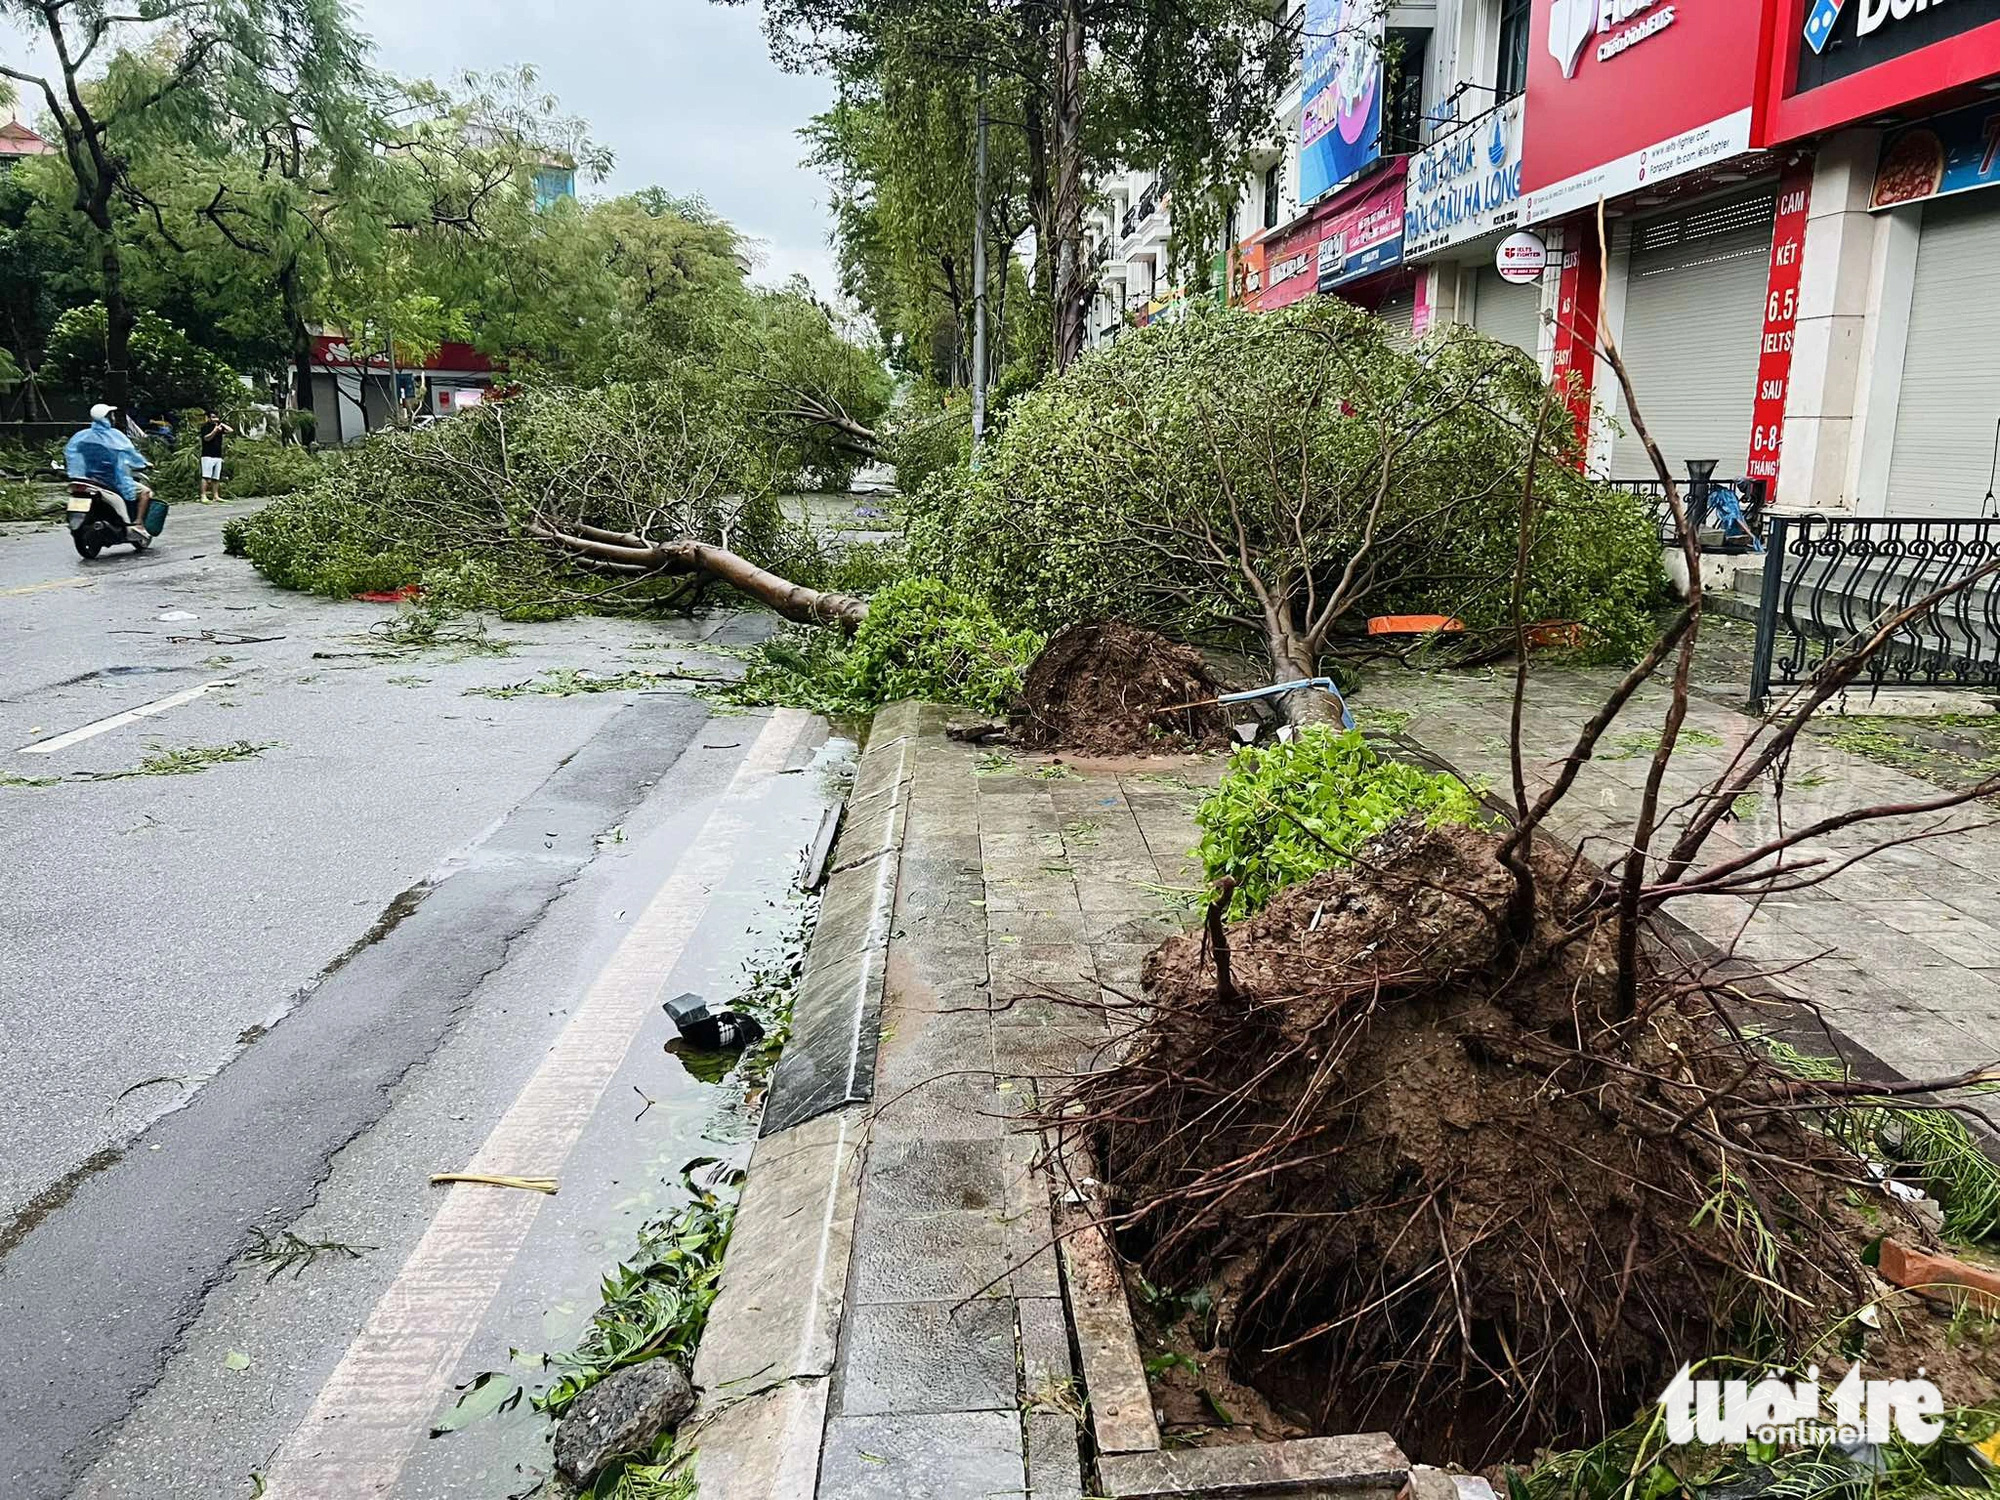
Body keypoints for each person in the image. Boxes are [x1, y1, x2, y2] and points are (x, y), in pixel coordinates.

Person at [64, 403, 155, 541]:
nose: (113, 417)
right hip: (112, 480)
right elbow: (131, 454)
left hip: (89, 479)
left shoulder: (81, 437)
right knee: (145, 492)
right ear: (108, 417)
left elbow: (71, 454)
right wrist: (143, 463)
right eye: (111, 415)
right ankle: (138, 523)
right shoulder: (114, 436)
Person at [198, 409, 233, 500]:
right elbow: (206, 438)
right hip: (207, 455)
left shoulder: (219, 427)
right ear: (209, 418)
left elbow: (230, 430)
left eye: (216, 417)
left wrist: (221, 424)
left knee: (216, 478)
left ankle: (216, 496)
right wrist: (215, 431)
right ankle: (203, 495)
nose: (215, 419)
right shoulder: (205, 427)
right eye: (213, 417)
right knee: (206, 476)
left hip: (217, 455)